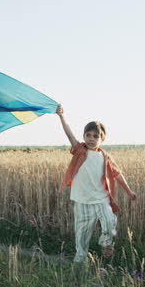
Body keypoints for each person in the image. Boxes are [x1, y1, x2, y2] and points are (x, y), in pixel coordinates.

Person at [56, 104, 136, 263]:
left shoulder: (105, 157)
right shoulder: (79, 150)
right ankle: (80, 260)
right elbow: (69, 134)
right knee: (82, 234)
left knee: (109, 220)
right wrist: (61, 116)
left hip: (101, 199)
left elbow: (118, 175)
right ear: (84, 136)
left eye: (96, 136)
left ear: (102, 139)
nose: (91, 139)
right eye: (88, 135)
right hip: (82, 201)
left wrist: (129, 191)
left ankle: (106, 244)